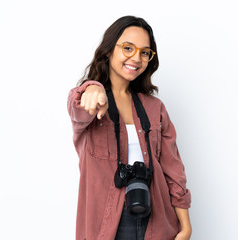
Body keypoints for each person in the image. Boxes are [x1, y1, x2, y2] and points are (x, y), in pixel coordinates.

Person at [67, 16, 192, 240]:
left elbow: (174, 171)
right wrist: (91, 88)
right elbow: (78, 108)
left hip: (157, 218)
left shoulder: (155, 108)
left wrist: (185, 226)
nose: (136, 57)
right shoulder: (90, 101)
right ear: (108, 50)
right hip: (106, 223)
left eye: (145, 52)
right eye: (128, 48)